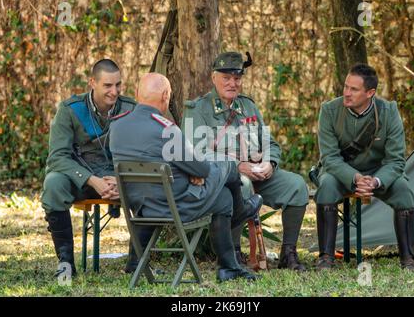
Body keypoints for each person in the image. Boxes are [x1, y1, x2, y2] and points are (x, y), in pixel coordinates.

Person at [109, 72, 262, 282]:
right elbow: (201, 170)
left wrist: (189, 171)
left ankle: (136, 262)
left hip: (141, 205)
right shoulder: (166, 130)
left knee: (222, 197)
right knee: (225, 168)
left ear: (136, 94)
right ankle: (237, 230)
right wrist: (194, 173)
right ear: (165, 96)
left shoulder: (117, 126)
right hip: (177, 206)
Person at [181, 52, 309, 271]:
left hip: (257, 172)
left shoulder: (248, 107)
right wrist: (238, 166)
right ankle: (233, 254)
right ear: (214, 78)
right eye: (226, 78)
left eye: (237, 78)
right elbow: (196, 154)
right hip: (222, 179)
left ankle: (288, 253)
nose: (233, 83)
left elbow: (271, 144)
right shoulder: (198, 110)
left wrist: (269, 163)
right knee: (241, 183)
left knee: (297, 186)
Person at [314, 63, 414, 270]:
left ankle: (408, 259)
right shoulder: (329, 111)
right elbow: (330, 158)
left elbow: (396, 160)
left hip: (378, 174)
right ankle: (326, 257)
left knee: (404, 191)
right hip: (342, 173)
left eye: (354, 89)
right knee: (326, 186)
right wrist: (356, 178)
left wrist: (375, 181)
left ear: (370, 92)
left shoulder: (389, 112)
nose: (347, 93)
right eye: (346, 87)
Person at [41, 59, 138, 277]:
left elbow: (145, 152)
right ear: (92, 82)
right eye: (108, 86)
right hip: (82, 180)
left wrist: (120, 178)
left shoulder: (131, 109)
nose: (114, 92)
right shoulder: (70, 110)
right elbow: (57, 157)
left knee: (151, 185)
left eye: (118, 85)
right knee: (54, 183)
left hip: (120, 180)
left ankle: (137, 263)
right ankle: (66, 265)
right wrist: (91, 180)